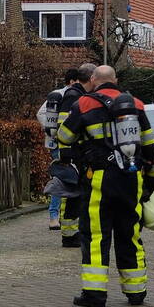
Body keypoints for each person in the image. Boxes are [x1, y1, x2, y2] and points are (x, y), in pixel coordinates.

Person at [56, 65, 154, 307]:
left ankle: (95, 294)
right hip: (132, 177)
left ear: (93, 80)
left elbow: (64, 136)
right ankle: (136, 292)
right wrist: (152, 180)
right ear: (116, 80)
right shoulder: (136, 104)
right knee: (130, 233)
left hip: (99, 178)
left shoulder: (84, 104)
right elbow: (150, 145)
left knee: (96, 236)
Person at [54, 63, 96, 247]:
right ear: (91, 78)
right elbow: (63, 125)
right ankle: (70, 236)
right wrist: (66, 155)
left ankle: (72, 233)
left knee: (74, 194)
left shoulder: (78, 95)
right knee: (73, 195)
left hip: (76, 153)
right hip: (73, 155)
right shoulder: (73, 96)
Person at [38, 68, 80, 230]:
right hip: (59, 143)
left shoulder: (63, 94)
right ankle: (54, 215)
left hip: (60, 142)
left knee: (65, 178)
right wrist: (55, 133)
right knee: (61, 178)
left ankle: (60, 216)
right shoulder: (61, 95)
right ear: (72, 82)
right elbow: (41, 114)